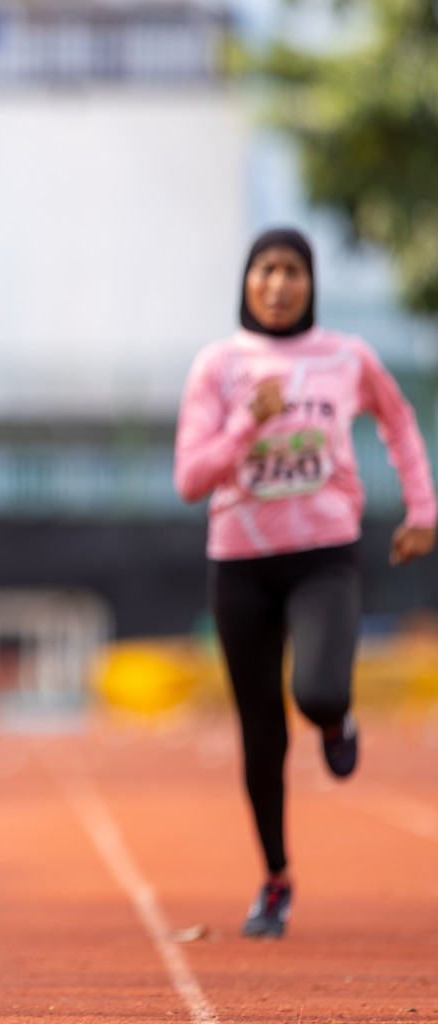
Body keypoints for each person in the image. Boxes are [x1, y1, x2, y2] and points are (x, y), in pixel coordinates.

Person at [174, 227, 436, 939]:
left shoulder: (347, 357)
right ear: (247, 281)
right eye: (266, 269)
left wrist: (423, 510)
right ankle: (276, 878)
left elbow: (400, 419)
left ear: (311, 283)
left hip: (324, 554)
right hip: (241, 564)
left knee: (317, 692)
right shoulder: (219, 365)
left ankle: (336, 718)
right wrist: (244, 425)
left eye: (293, 271)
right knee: (262, 734)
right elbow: (190, 479)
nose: (279, 284)